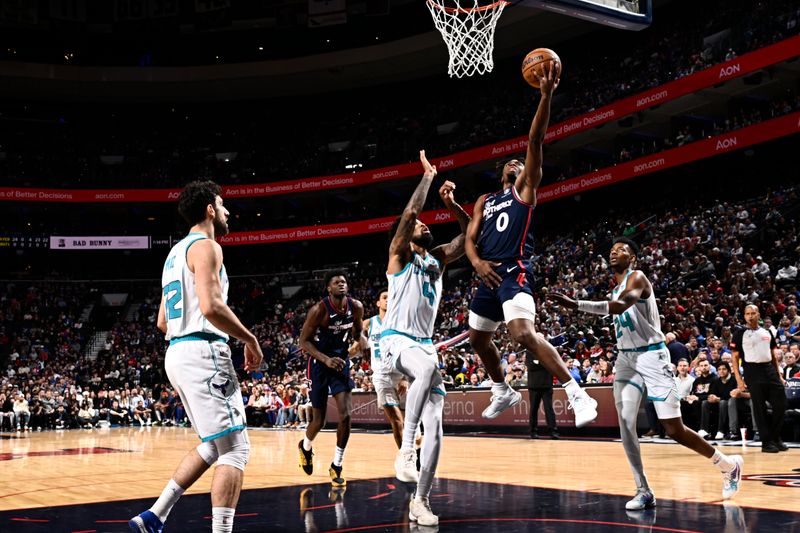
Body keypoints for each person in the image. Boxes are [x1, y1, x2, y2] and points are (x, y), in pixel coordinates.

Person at [548, 237, 743, 509]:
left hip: (653, 356)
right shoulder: (614, 289)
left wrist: (575, 303)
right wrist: (574, 305)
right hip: (627, 360)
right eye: (612, 250)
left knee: (674, 428)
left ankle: (728, 464)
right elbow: (610, 304)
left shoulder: (637, 277)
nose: (615, 252)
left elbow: (618, 306)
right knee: (626, 422)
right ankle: (643, 489)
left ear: (633, 258)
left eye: (622, 250)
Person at [464, 62, 597, 427]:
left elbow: (535, 140)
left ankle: (577, 393)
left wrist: (546, 96)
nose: (515, 164)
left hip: (514, 270)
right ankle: (502, 389)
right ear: (501, 173)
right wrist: (475, 263)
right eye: (509, 163)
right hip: (487, 273)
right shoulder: (485, 200)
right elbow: (470, 240)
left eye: (518, 162)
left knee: (523, 334)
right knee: (478, 340)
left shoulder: (526, 190)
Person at [129, 180, 264, 533]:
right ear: (209, 209)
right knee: (236, 450)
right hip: (204, 349)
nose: (227, 211)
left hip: (176, 352)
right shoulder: (207, 247)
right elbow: (212, 306)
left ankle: (155, 515)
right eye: (222, 205)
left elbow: (162, 321)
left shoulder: (173, 255)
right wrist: (250, 339)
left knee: (214, 445)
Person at [380, 150, 470, 526]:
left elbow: (469, 236)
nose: (424, 226)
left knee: (437, 427)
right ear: (405, 236)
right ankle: (404, 452)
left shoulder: (436, 260)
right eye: (420, 226)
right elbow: (409, 215)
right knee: (429, 364)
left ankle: (421, 500)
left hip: (424, 342)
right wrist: (429, 179)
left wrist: (453, 206)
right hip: (397, 340)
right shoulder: (399, 256)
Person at [297, 270, 367, 488]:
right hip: (320, 364)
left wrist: (362, 340)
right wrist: (326, 360)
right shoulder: (319, 310)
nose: (341, 284)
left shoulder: (356, 307)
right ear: (328, 288)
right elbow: (304, 341)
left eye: (344, 281)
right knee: (319, 421)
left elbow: (357, 332)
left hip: (341, 363)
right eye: (336, 282)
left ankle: (337, 465)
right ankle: (305, 447)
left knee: (345, 416)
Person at [730, 304, 788, 453]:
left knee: (780, 403)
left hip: (769, 369)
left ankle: (775, 437)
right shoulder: (739, 333)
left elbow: (773, 354)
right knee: (760, 408)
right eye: (747, 313)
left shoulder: (767, 332)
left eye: (753, 313)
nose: (750, 316)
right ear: (744, 316)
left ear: (758, 315)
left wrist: (779, 376)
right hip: (752, 371)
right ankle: (767, 442)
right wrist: (739, 380)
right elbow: (735, 359)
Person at [526, 349, 557, 439]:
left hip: (547, 385)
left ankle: (553, 432)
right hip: (534, 386)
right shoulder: (529, 352)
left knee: (549, 409)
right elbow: (531, 366)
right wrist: (544, 363)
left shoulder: (548, 350)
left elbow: (551, 365)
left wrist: (538, 362)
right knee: (533, 410)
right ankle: (533, 432)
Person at [702, 362, 737, 440]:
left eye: (724, 369)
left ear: (728, 370)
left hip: (730, 402)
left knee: (723, 403)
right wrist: (711, 397)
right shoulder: (716, 381)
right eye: (719, 369)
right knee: (705, 403)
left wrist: (719, 399)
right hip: (717, 402)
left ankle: (721, 431)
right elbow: (712, 393)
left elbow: (732, 395)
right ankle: (704, 430)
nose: (721, 371)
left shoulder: (734, 380)